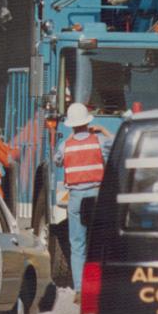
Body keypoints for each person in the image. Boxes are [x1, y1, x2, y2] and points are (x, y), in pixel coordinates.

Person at [59, 102, 111, 292]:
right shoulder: (99, 141)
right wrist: (103, 130)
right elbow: (117, 144)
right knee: (98, 240)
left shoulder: (66, 145)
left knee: (77, 244)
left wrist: (72, 137)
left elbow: (58, 160)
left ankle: (80, 289)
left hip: (75, 198)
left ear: (71, 124)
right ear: (88, 122)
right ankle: (100, 284)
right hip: (96, 195)